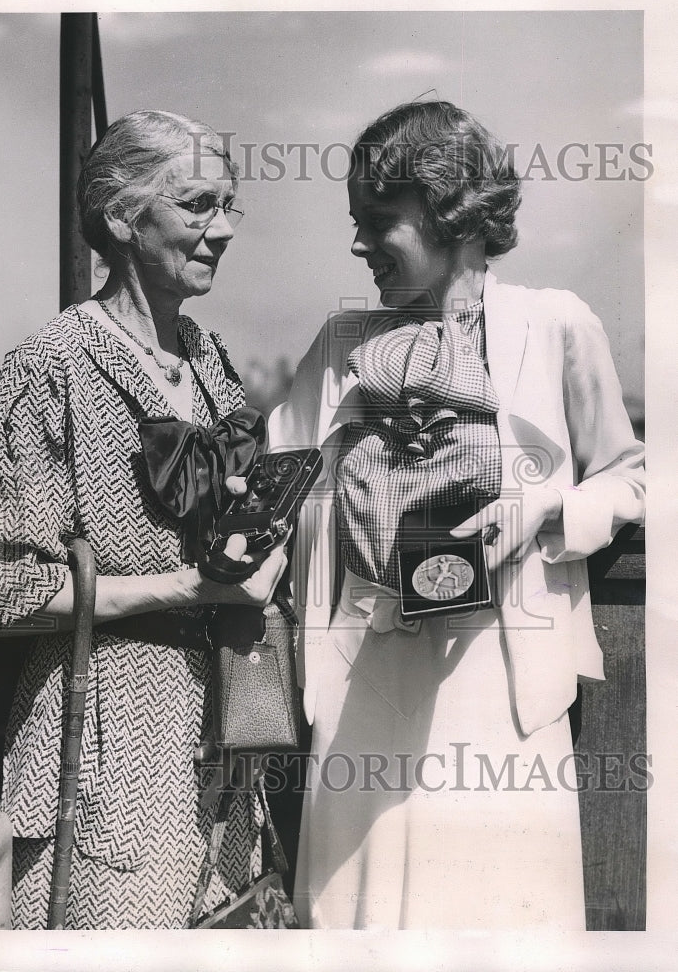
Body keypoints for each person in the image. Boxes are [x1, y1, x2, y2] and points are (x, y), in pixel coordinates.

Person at [268, 100, 645, 929]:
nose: (359, 243)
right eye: (355, 222)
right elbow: (275, 486)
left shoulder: (554, 326)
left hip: (500, 692)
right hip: (367, 681)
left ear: (452, 213)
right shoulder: (343, 344)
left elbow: (630, 476)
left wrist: (543, 508)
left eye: (380, 221)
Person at [0, 110, 287, 930]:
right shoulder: (53, 364)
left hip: (221, 722)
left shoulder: (207, 359)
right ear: (121, 219)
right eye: (199, 206)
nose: (224, 230)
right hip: (106, 733)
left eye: (230, 207)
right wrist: (188, 586)